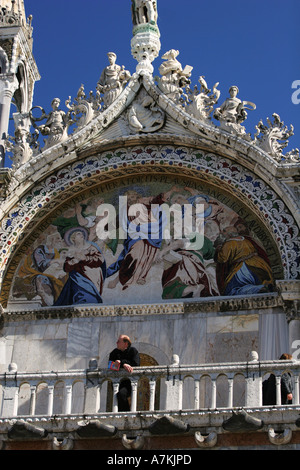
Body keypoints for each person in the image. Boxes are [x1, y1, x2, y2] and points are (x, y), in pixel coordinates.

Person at [109, 335, 140, 411]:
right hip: (117, 381)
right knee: (118, 397)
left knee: (122, 394)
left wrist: (122, 363)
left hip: (129, 382)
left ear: (125, 343)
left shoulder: (133, 351)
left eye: (119, 341)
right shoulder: (114, 353)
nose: (116, 343)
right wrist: (123, 364)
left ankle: (126, 413)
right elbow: (110, 365)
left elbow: (136, 364)